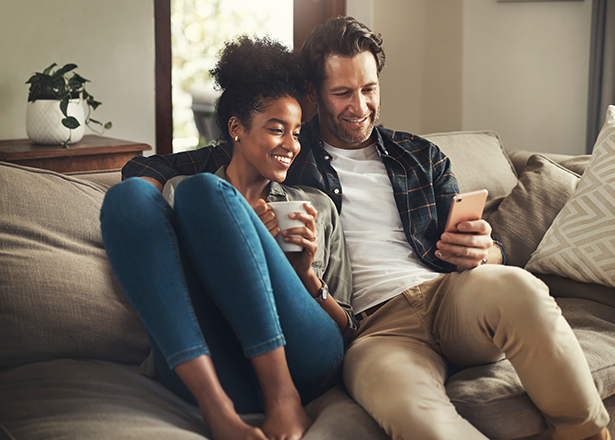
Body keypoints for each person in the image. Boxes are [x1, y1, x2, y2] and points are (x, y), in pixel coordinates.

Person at [121, 17, 610, 440]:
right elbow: (145, 172)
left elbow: (485, 244)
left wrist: (489, 251)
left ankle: (585, 430)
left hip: (450, 294)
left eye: (369, 89)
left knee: (520, 288)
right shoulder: (283, 146)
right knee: (417, 419)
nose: (360, 106)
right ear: (313, 94)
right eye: (343, 93)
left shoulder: (421, 156)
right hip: (372, 332)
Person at [100, 35, 355, 440]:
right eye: (277, 130)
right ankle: (218, 413)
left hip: (303, 358)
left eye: (296, 133)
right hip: (218, 367)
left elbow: (347, 329)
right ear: (236, 128)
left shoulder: (317, 206)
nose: (291, 145)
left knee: (204, 191)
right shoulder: (181, 192)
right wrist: (233, 227)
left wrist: (304, 274)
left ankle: (283, 399)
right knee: (127, 197)